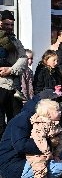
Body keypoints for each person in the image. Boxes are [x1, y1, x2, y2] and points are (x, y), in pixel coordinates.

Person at [0, 94, 62, 178]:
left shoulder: (50, 121)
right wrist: (48, 146)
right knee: (57, 167)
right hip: (12, 164)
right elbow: (21, 146)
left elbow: (57, 140)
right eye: (56, 107)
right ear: (46, 109)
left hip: (32, 156)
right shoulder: (23, 119)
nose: (60, 110)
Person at [26, 99, 62, 178]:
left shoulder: (56, 124)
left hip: (50, 151)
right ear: (48, 114)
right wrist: (47, 151)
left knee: (58, 162)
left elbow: (60, 141)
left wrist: (56, 154)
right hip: (37, 153)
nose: (60, 112)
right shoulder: (39, 124)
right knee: (40, 167)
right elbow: (39, 140)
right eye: (57, 111)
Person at [0, 10, 28, 139]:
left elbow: (23, 59)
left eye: (11, 25)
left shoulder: (16, 42)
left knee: (16, 121)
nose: (10, 27)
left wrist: (10, 70)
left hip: (13, 87)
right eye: (6, 24)